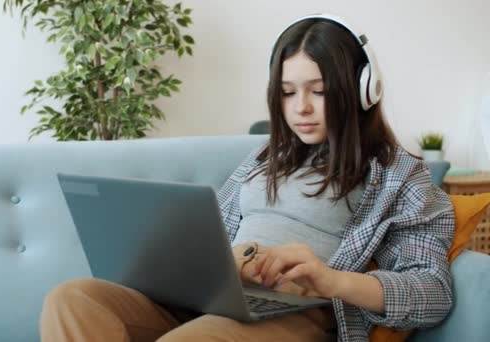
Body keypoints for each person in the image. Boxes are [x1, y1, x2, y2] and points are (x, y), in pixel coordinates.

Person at [39, 14, 455, 342]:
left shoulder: (400, 176)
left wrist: (332, 281)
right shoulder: (265, 157)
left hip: (301, 312)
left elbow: (433, 292)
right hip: (219, 297)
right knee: (72, 300)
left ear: (363, 89)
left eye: (319, 90)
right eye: (288, 92)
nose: (301, 108)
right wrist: (220, 261)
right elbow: (212, 237)